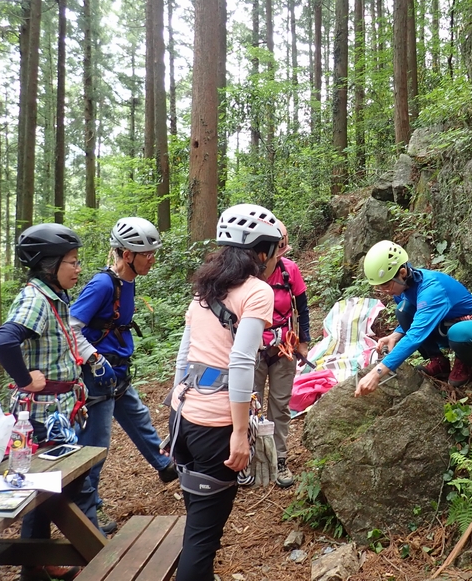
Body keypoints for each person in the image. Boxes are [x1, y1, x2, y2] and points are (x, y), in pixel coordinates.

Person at [169, 203, 281, 581]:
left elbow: (185, 353)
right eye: (272, 250)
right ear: (260, 252)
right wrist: (239, 432)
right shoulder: (257, 291)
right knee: (202, 538)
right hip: (216, 428)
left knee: (198, 524)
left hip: (183, 419)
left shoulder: (205, 289)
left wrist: (175, 405)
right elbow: (242, 361)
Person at [0, 223, 96, 581]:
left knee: (53, 485)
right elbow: (4, 341)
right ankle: (35, 563)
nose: (78, 268)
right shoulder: (35, 299)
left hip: (60, 410)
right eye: (72, 261)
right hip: (41, 415)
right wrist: (25, 379)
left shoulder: (53, 297)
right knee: (45, 487)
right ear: (49, 264)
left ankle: (36, 562)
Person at [70, 217, 177, 533]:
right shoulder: (102, 284)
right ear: (127, 255)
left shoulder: (127, 282)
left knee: (139, 419)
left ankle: (165, 466)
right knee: (96, 447)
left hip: (117, 371)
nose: (152, 259)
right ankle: (89, 511)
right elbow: (71, 327)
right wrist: (94, 359)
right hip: (98, 376)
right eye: (147, 254)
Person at [355, 240, 472, 397]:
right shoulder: (402, 288)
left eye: (386, 285)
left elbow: (416, 334)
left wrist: (377, 373)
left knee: (459, 332)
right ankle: (438, 361)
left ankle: (464, 362)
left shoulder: (432, 289)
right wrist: (395, 334)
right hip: (446, 324)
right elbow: (418, 315)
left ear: (402, 273)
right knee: (403, 310)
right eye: (379, 287)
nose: (384, 291)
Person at [253, 219, 310, 488]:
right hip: (253, 349)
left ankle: (280, 459)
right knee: (251, 405)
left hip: (284, 348)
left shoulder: (290, 271)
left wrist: (304, 342)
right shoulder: (246, 275)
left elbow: (303, 308)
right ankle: (253, 458)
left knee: (280, 405)